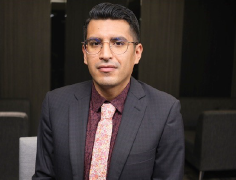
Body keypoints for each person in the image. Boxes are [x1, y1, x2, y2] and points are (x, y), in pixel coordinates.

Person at [33, 2, 184, 180]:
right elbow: (44, 176)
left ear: (137, 53)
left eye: (118, 43)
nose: (105, 54)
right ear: (84, 53)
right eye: (95, 43)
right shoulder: (55, 104)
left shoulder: (165, 111)